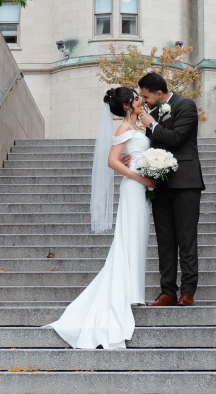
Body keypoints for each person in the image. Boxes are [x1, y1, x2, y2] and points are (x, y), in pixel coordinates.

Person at [46, 86, 156, 349]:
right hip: (134, 188)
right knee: (129, 238)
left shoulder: (135, 129)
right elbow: (112, 161)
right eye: (137, 98)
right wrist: (140, 177)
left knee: (137, 239)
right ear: (128, 104)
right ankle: (128, 292)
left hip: (142, 189)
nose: (141, 101)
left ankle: (134, 292)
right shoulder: (122, 129)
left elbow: (129, 155)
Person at [138, 71, 205, 306]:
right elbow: (150, 145)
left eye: (146, 97)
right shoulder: (153, 115)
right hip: (161, 184)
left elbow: (176, 138)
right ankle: (167, 291)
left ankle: (188, 292)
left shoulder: (186, 105)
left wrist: (153, 125)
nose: (144, 102)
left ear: (159, 93)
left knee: (186, 239)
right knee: (164, 240)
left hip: (186, 182)